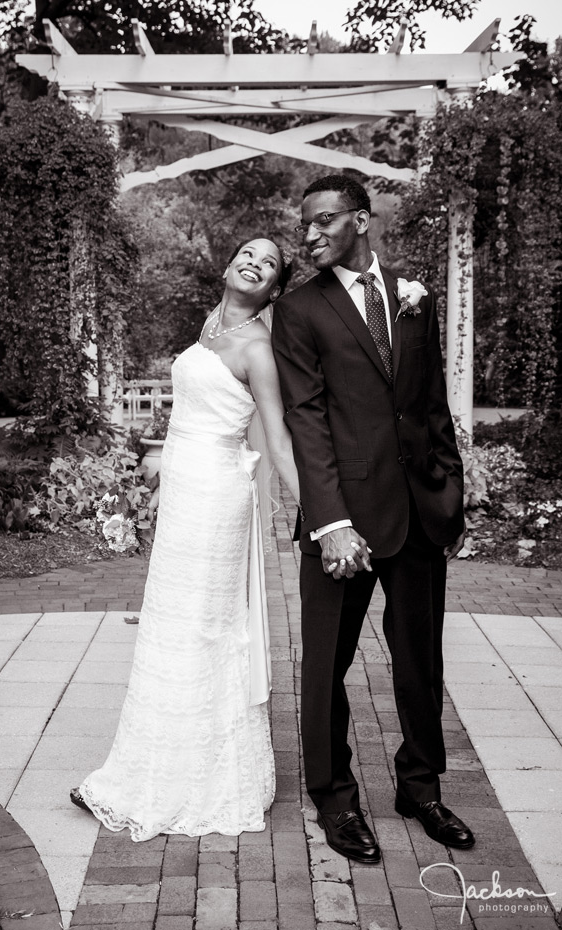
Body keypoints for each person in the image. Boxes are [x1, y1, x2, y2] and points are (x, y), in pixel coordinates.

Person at [271, 174, 474, 864]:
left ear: (362, 220)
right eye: (307, 226)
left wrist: (451, 492)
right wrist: (330, 522)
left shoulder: (414, 296)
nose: (312, 234)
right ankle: (334, 799)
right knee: (326, 666)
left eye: (326, 221)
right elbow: (305, 419)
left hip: (419, 514)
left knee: (421, 662)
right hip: (344, 522)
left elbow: (430, 402)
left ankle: (420, 787)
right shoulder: (299, 310)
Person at [70, 237, 299, 840]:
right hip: (182, 490)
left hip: (219, 496)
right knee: (170, 623)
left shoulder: (258, 347)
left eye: (269, 262)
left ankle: (204, 777)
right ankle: (147, 764)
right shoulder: (209, 327)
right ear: (228, 266)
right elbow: (192, 411)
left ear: (274, 287)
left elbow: (276, 437)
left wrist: (321, 512)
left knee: (203, 625)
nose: (255, 262)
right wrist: (155, 469)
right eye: (248, 253)